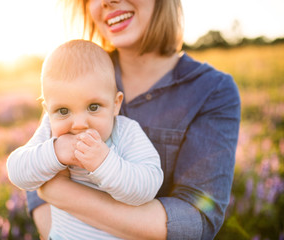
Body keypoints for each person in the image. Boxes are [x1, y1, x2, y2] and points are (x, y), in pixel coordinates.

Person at [15, 0, 241, 239]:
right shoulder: (76, 72)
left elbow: (196, 219)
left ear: (116, 103)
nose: (107, 1)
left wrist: (62, 190)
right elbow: (30, 177)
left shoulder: (212, 90)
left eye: (94, 107)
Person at [7, 39, 164, 239]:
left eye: (93, 107)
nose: (79, 124)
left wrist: (104, 163)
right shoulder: (50, 131)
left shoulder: (125, 132)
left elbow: (148, 185)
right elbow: (17, 172)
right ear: (47, 111)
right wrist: (56, 151)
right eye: (63, 111)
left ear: (115, 104)